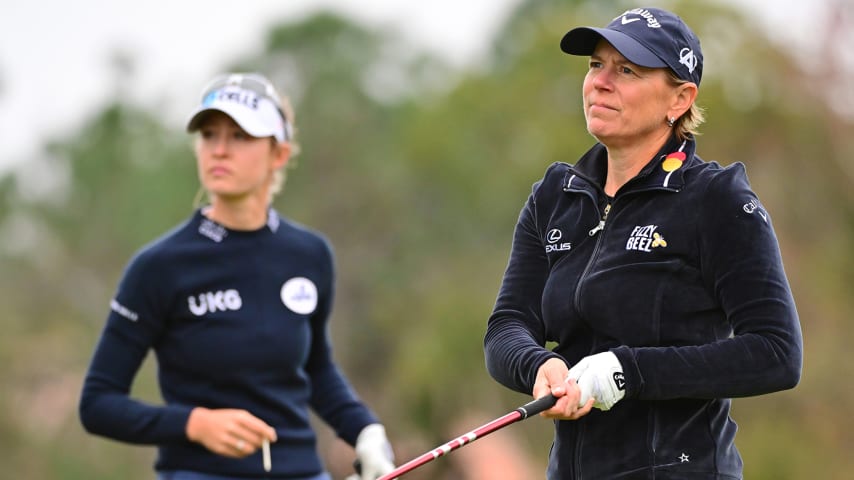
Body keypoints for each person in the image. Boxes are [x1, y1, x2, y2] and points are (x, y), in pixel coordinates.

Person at [483, 7, 802, 479]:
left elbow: (777, 353)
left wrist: (627, 372)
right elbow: (507, 326)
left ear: (680, 99)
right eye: (596, 65)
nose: (601, 82)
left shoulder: (716, 200)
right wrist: (537, 365)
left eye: (627, 70)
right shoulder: (555, 196)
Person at [79, 72, 396, 480]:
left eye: (240, 136)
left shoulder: (310, 254)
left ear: (278, 154)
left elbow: (315, 367)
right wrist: (195, 424)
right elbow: (98, 403)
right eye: (209, 135)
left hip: (301, 472)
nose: (220, 150)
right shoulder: (159, 266)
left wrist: (365, 431)